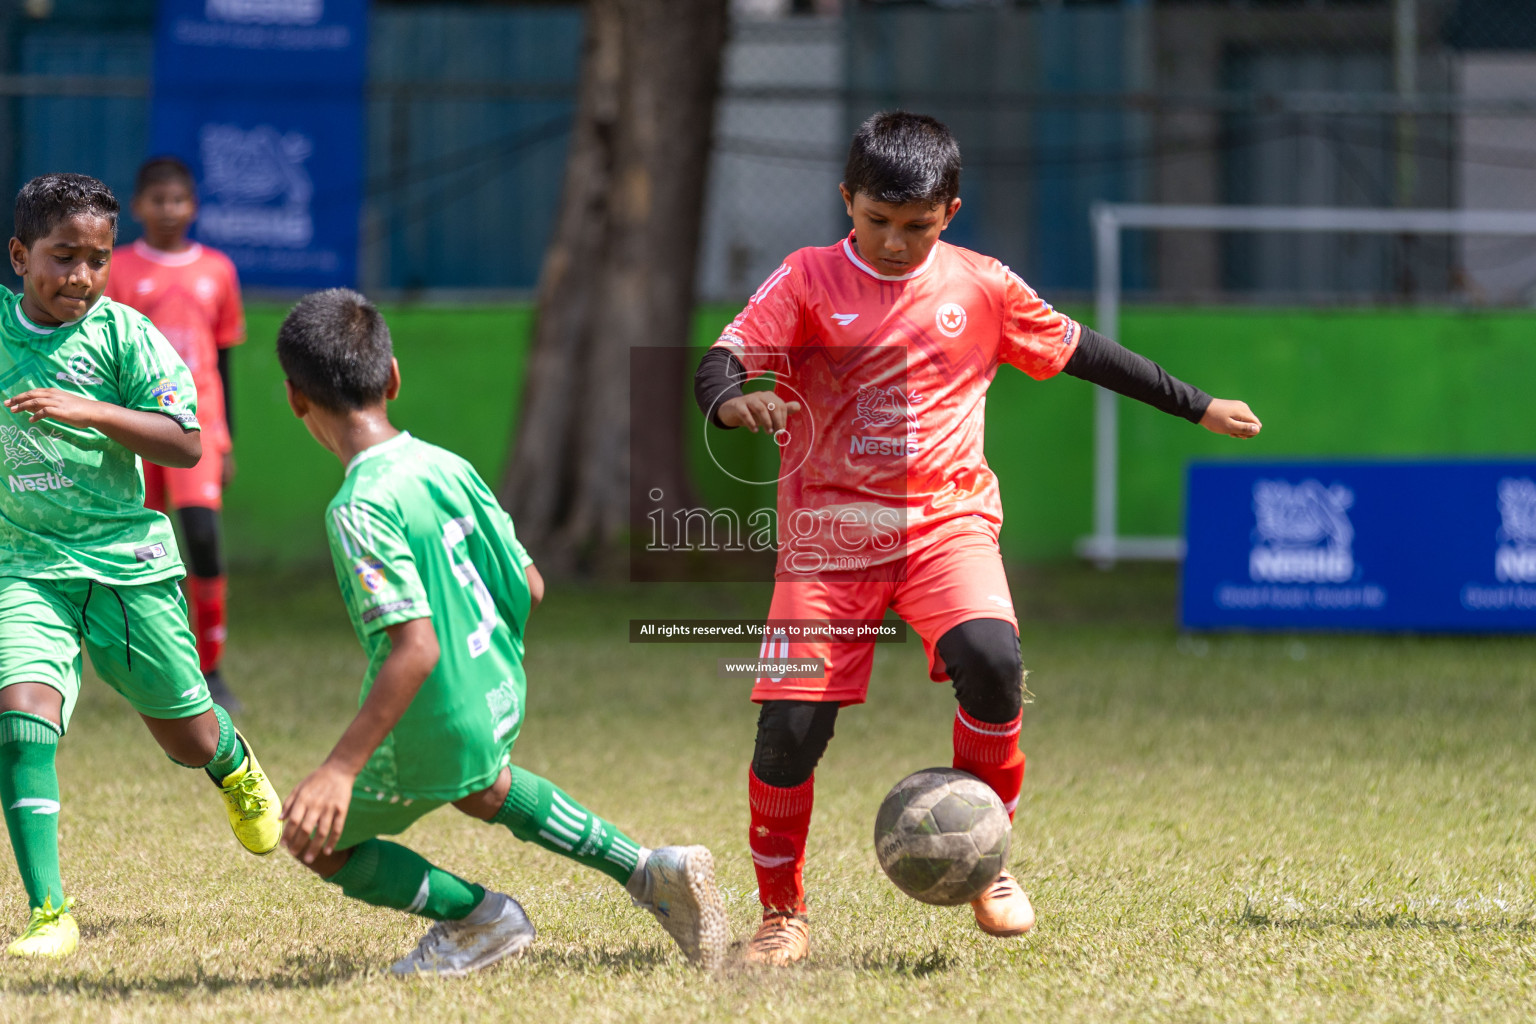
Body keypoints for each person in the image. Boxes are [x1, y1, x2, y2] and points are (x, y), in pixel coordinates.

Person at [693, 111, 1263, 966]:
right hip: (829, 539)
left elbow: (1086, 352)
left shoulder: (984, 286)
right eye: (876, 221)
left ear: (949, 212)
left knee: (995, 661)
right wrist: (733, 401)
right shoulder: (807, 279)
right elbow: (721, 361)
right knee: (788, 731)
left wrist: (1196, 403)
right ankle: (784, 916)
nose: (892, 242)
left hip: (946, 525)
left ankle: (987, 863)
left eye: (915, 227)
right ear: (846, 200)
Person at [275, 288, 728, 977]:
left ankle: (480, 920)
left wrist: (339, 768)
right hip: (497, 687)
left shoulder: (359, 506)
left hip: (431, 719)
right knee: (483, 787)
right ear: (394, 377)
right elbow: (532, 586)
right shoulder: (444, 464)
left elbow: (416, 648)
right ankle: (647, 871)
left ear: (295, 399)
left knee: (311, 838)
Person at [0, 173, 283, 959]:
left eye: (98, 259)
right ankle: (49, 912)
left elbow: (184, 441)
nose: (82, 278)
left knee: (185, 736)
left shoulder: (125, 335)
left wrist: (91, 409)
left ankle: (231, 762)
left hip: (124, 564)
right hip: (21, 564)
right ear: (20, 255)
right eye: (63, 258)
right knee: (21, 718)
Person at [104, 156, 245, 713]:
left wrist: (227, 439)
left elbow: (225, 359)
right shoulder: (114, 267)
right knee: (143, 551)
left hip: (199, 428)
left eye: (178, 200)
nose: (168, 210)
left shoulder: (217, 269)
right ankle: (156, 667)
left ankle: (212, 671)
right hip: (138, 427)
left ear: (194, 205)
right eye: (157, 200)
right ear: (137, 206)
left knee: (203, 543)